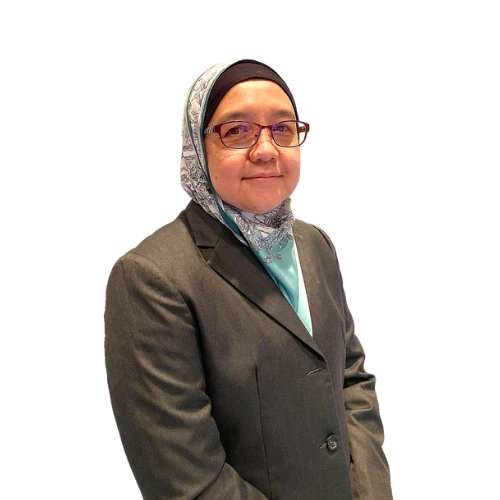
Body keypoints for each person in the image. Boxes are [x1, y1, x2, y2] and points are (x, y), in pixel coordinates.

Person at [104, 57, 393, 499]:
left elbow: (350, 375)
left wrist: (371, 490)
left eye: (282, 129)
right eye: (237, 130)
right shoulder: (151, 278)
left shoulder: (314, 244)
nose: (266, 150)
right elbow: (188, 481)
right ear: (195, 147)